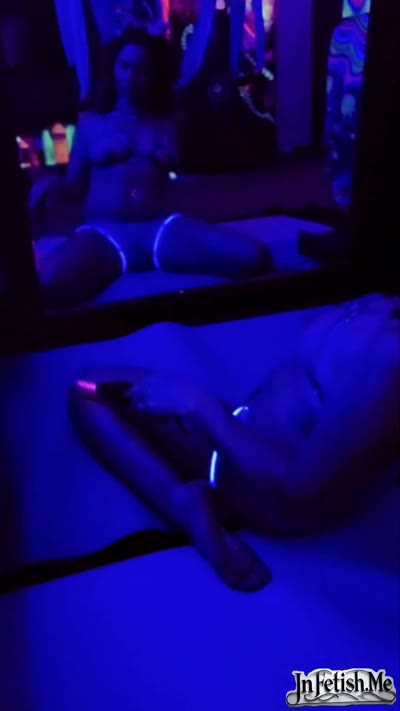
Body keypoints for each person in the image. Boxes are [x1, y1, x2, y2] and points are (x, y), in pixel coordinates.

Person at [69, 293, 400, 591]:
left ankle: (183, 506)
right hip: (236, 432)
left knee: (89, 395)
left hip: (267, 494)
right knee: (91, 386)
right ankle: (184, 500)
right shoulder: (379, 304)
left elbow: (298, 495)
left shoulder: (390, 359)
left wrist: (199, 405)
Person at [33, 27, 272, 307]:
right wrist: (45, 188)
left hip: (159, 230)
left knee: (253, 257)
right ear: (113, 69)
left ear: (151, 76)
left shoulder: (168, 123)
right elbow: (73, 188)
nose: (130, 77)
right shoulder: (91, 123)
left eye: (140, 70)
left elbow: (188, 175)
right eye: (125, 66)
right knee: (46, 285)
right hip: (105, 231)